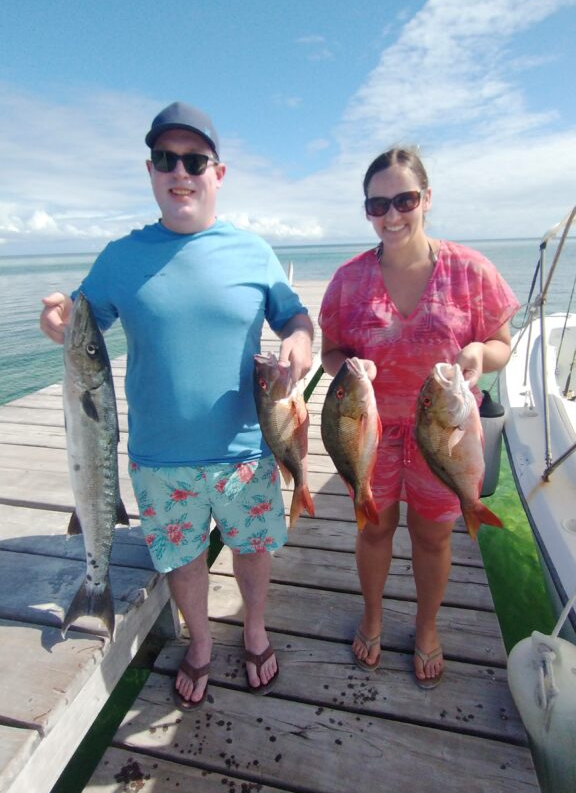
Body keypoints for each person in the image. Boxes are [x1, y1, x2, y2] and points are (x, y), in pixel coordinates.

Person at [40, 101, 314, 709]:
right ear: (151, 170)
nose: (180, 171)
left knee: (253, 549)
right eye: (167, 159)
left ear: (219, 173)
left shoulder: (252, 251)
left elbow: (294, 315)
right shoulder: (120, 257)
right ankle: (198, 641)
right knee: (183, 560)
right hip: (159, 461)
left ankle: (255, 627)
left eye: (195, 160)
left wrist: (298, 339)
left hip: (247, 451)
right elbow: (78, 323)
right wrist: (54, 317)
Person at [319, 147, 519, 688]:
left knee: (433, 538)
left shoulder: (471, 271)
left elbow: (502, 344)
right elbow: (330, 352)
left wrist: (480, 354)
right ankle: (373, 616)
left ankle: (427, 627)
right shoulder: (347, 281)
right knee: (374, 530)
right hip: (370, 430)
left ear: (426, 199)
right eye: (377, 204)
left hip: (448, 432)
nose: (391, 215)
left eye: (404, 199)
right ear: (366, 210)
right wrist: (346, 365)